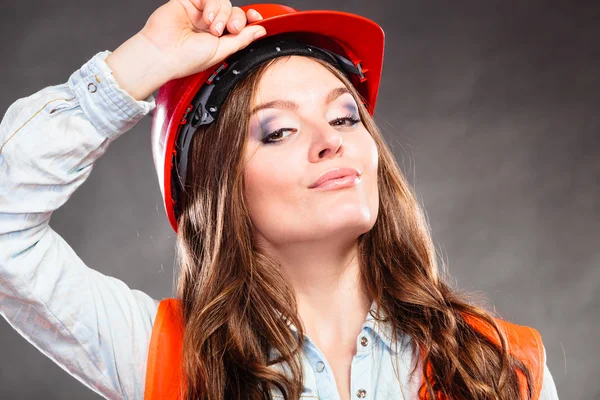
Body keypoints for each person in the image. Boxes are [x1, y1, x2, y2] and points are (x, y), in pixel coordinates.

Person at [0, 1, 559, 399]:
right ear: (218, 187)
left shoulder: (502, 366)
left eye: (344, 116)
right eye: (278, 131)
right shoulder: (165, 358)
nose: (331, 140)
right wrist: (143, 62)